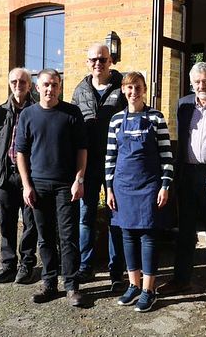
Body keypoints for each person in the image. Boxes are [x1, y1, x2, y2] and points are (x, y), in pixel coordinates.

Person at [157, 62, 206, 309]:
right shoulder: (183, 104)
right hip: (188, 174)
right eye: (197, 82)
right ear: (192, 83)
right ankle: (181, 279)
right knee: (186, 231)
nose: (202, 85)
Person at [16, 69, 88, 307]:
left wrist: (79, 179)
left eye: (55, 85)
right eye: (46, 84)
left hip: (66, 186)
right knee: (45, 237)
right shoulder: (28, 115)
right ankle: (49, 283)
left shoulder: (71, 113)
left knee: (68, 237)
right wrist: (27, 186)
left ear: (59, 87)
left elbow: (81, 149)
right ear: (37, 87)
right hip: (38, 186)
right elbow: (21, 153)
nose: (50, 89)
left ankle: (71, 286)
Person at [105, 72, 173, 313]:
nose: (133, 92)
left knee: (148, 236)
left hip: (149, 187)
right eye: (129, 87)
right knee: (128, 235)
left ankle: (149, 289)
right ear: (123, 91)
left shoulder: (156, 118)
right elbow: (110, 158)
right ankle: (133, 285)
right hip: (123, 187)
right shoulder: (115, 121)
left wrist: (165, 185)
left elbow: (166, 155)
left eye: (137, 87)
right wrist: (109, 189)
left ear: (144, 90)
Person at [71, 43, 127, 290]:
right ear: (87, 62)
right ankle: (86, 266)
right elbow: (72, 126)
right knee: (86, 215)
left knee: (116, 215)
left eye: (102, 59)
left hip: (117, 162)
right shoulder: (80, 90)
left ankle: (117, 272)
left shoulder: (123, 87)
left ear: (110, 61)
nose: (98, 63)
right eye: (93, 59)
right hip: (88, 163)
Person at [0, 68, 38, 284]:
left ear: (30, 85)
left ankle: (27, 264)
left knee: (30, 222)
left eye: (22, 81)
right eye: (14, 81)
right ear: (9, 84)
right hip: (5, 175)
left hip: (29, 178)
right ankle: (8, 264)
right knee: (5, 222)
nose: (18, 85)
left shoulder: (36, 110)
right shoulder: (0, 112)